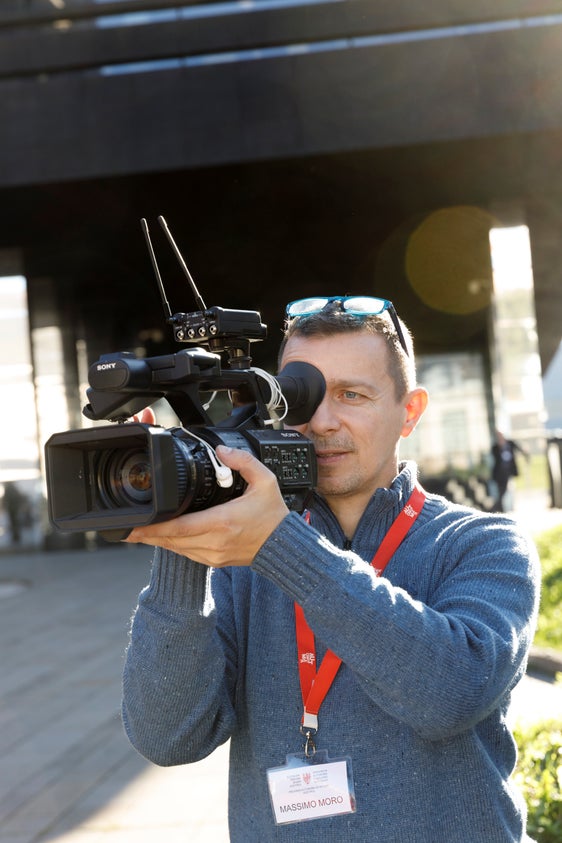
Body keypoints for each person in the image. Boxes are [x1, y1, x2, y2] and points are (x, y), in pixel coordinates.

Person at [122, 295, 540, 842]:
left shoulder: (483, 544)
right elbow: (169, 737)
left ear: (409, 411)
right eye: (299, 397)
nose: (320, 421)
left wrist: (280, 543)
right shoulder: (243, 563)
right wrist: (181, 540)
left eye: (352, 395)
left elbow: (450, 693)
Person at [491, 430, 528, 512]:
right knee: (501, 491)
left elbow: (520, 449)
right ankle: (497, 508)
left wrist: (526, 455)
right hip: (499, 473)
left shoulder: (510, 444)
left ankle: (497, 508)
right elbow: (496, 458)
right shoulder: (495, 447)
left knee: (504, 491)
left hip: (508, 472)